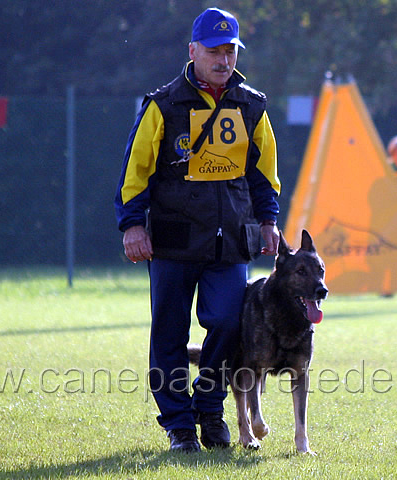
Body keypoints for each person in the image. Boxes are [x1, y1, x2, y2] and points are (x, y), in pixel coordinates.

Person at [114, 7, 280, 453]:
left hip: (231, 243)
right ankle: (179, 426)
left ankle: (210, 408)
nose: (223, 60)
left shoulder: (252, 105)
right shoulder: (162, 105)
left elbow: (264, 174)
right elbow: (136, 171)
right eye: (214, 51)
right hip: (172, 241)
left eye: (230, 51)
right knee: (168, 333)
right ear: (192, 51)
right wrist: (132, 224)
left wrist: (268, 221)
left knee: (228, 323)